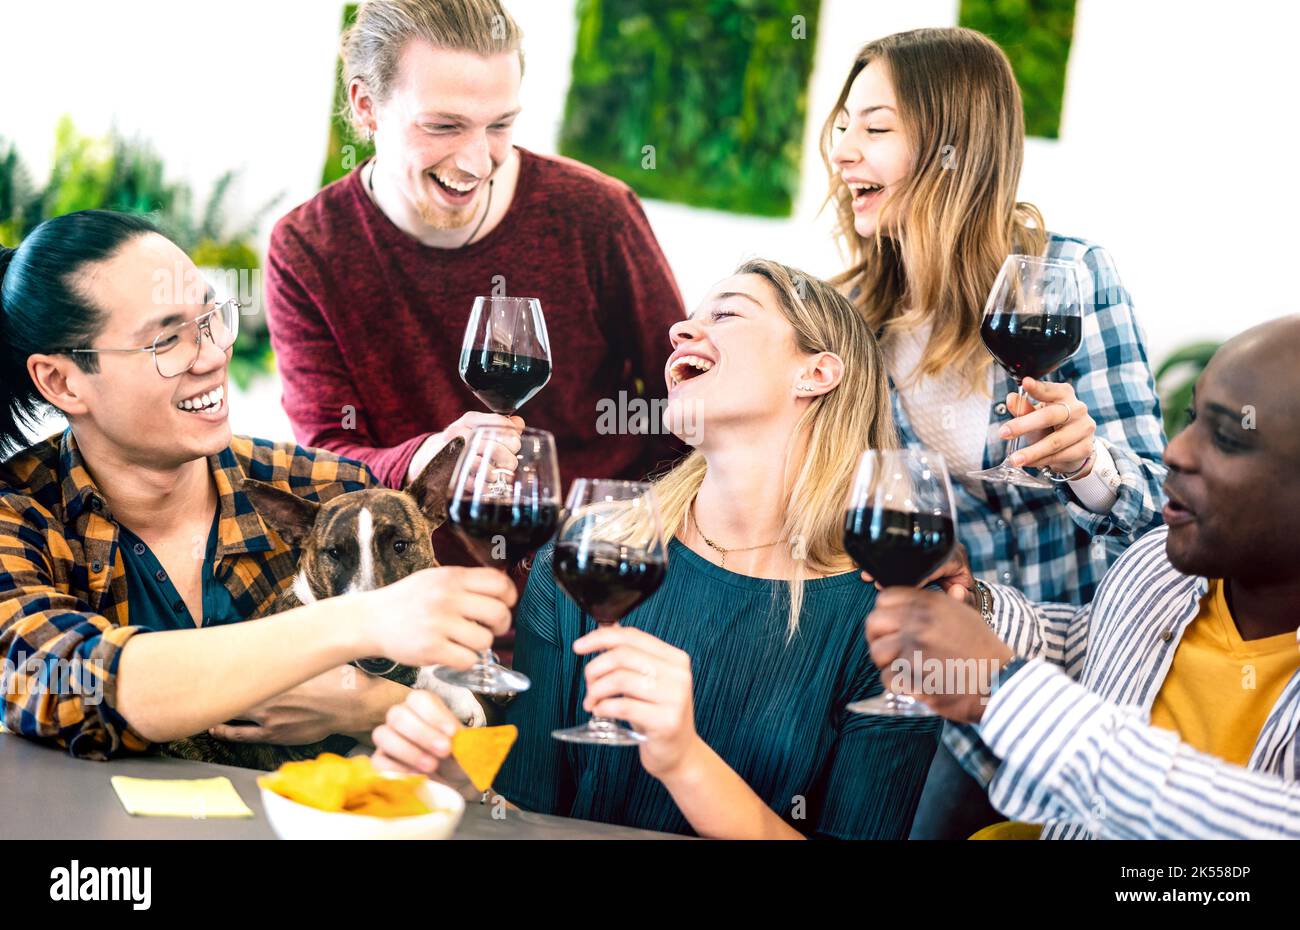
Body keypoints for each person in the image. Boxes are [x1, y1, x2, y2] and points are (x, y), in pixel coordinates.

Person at [372, 259, 941, 839]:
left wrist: (684, 761)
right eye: (691, 317)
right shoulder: (583, 562)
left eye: (727, 313)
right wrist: (460, 782)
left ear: (816, 373)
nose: (680, 331)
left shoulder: (894, 627)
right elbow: (527, 815)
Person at [0, 210, 512, 760]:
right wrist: (352, 631)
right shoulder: (21, 515)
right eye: (167, 340)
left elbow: (483, 744)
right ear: (61, 381)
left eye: (212, 318)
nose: (215, 355)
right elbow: (63, 681)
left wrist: (370, 709)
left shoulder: (330, 492)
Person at [822, 26, 1169, 835]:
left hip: (1085, 696)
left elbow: (1163, 534)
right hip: (941, 688)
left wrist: (1091, 464)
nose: (843, 151)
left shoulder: (1070, 278)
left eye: (875, 129)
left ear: (955, 147)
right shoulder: (856, 319)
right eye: (842, 124)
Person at [864, 315, 1300, 838]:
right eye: (1192, 420)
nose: (1175, 451)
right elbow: (1090, 654)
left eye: (1227, 437)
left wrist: (1003, 692)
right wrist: (976, 607)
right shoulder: (1158, 567)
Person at [264, 0, 685, 522]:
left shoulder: (597, 213)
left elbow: (686, 398)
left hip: (593, 562)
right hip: (430, 580)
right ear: (366, 105)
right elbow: (326, 458)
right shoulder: (308, 250)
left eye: (500, 125)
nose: (477, 161)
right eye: (443, 126)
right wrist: (431, 456)